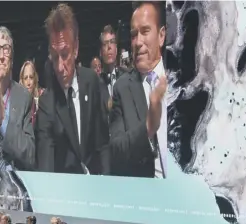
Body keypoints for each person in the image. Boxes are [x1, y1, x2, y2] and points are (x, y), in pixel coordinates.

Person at [36, 3, 110, 175]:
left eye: (65, 54)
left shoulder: (92, 82)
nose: (60, 67)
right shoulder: (47, 103)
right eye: (55, 57)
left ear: (76, 48)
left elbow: (103, 144)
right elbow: (46, 166)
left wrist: (108, 186)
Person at [109, 1, 167, 178]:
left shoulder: (183, 77)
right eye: (134, 35)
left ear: (161, 35)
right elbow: (116, 150)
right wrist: (148, 127)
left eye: (145, 31)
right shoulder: (122, 88)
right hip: (147, 195)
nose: (138, 42)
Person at [0, 26, 35, 171]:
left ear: (12, 58)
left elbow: (30, 154)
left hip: (12, 182)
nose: (1, 56)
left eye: (6, 49)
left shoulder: (23, 97)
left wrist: (4, 123)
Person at [19, 60, 44, 125]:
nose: (28, 82)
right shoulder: (17, 102)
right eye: (25, 78)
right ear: (22, 81)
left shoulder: (42, 97)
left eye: (31, 77)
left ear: (35, 78)